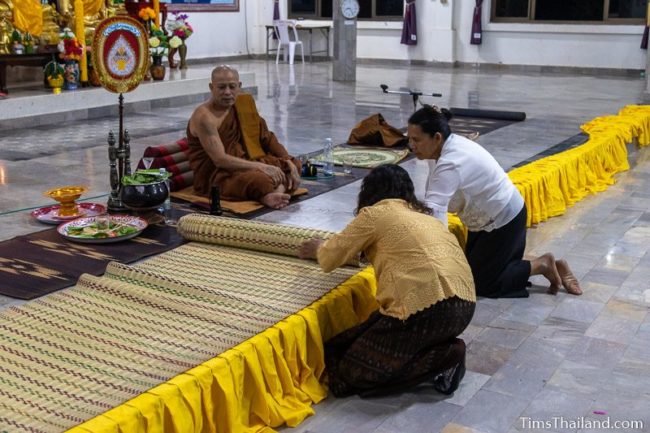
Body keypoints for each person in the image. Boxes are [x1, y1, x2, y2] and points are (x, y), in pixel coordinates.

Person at [298, 164, 476, 398]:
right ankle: (439, 347)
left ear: (370, 193)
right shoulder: (427, 218)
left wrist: (318, 248)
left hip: (426, 311)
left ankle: (447, 356)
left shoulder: (375, 213)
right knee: (342, 343)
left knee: (350, 372)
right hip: (464, 307)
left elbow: (332, 256)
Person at [407, 105, 583, 298]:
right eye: (409, 139)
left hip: (504, 221)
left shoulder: (451, 162)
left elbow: (435, 212)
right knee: (468, 273)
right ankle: (540, 263)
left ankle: (542, 264)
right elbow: (434, 199)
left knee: (481, 284)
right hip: (485, 220)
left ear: (437, 137)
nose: (411, 146)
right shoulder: (448, 145)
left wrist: (432, 255)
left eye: (416, 140)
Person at [187, 65, 301, 209]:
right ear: (211, 87)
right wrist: (262, 167)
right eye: (221, 87)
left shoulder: (244, 103)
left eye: (232, 87)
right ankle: (276, 190)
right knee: (260, 180)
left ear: (239, 86)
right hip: (219, 175)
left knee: (294, 165)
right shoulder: (204, 116)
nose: (227, 92)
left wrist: (287, 160)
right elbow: (220, 160)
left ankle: (273, 194)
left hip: (247, 162)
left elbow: (266, 138)